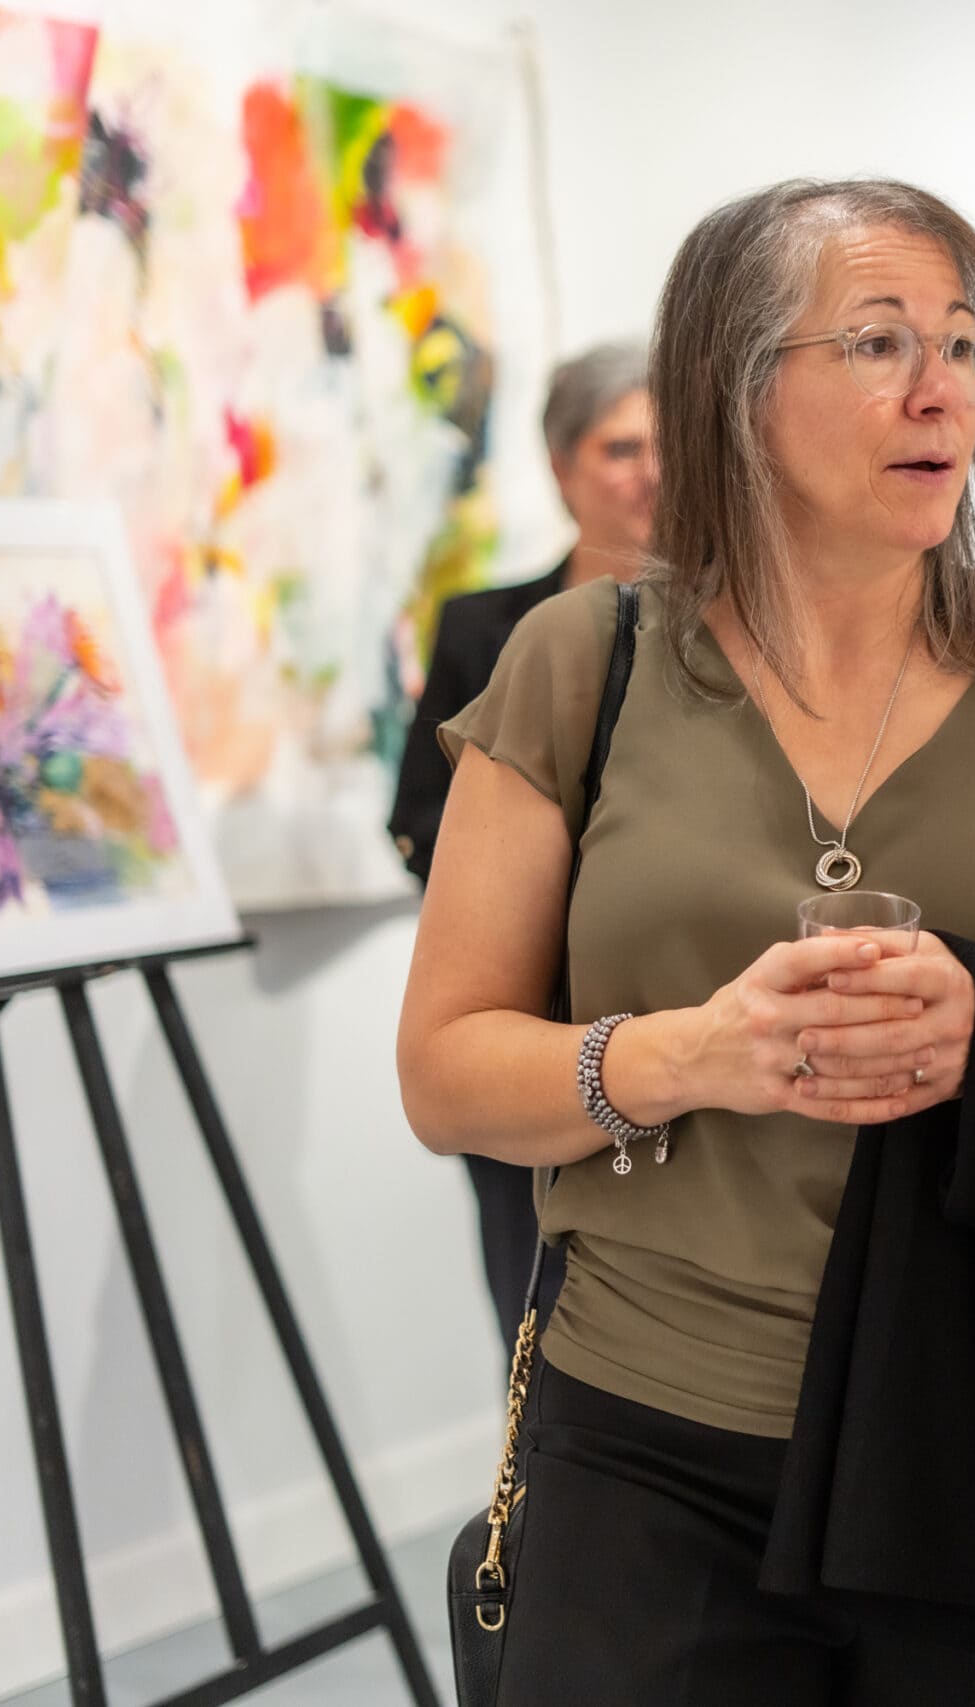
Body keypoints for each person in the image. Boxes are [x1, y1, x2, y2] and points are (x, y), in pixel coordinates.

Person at [397, 178, 975, 1704]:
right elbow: (447, 1069)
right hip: (645, 1444)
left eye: (965, 345)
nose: (941, 390)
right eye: (875, 342)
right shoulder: (582, 660)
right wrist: (694, 1054)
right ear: (733, 387)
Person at [390, 341, 655, 1346]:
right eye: (622, 448)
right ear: (560, 466)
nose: (654, 473)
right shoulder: (486, 630)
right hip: (517, 1021)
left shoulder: (731, 634)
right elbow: (419, 813)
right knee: (535, 1304)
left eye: (671, 447)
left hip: (664, 1013)